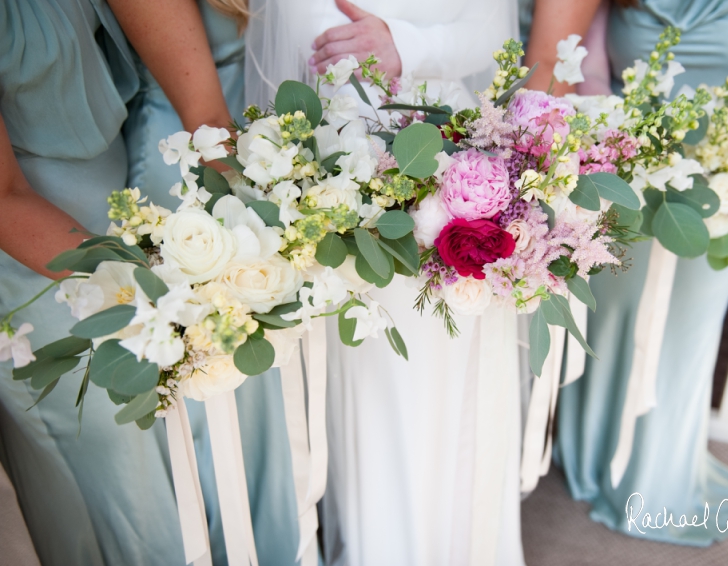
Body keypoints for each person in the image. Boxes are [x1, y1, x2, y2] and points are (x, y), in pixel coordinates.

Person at [524, 0, 728, 545]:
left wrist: (716, 169)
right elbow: (595, 72)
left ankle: (657, 487)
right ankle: (590, 465)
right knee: (607, 323)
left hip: (715, 197)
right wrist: (625, 156)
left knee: (680, 338)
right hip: (625, 187)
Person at [246, 0, 520, 564]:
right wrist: (408, 45)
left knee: (465, 369)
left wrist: (404, 43)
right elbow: (319, 36)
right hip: (358, 159)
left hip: (468, 151)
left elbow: (492, 31)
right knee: (386, 382)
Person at [0, 1, 190, 563]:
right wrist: (143, 285)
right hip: (34, 255)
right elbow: (4, 198)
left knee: (178, 450)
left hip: (119, 206)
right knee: (117, 484)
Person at [116, 1, 303, 563]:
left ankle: (277, 545)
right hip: (197, 160)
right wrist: (266, 207)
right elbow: (205, 115)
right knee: (215, 388)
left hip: (256, 146)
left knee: (262, 382)